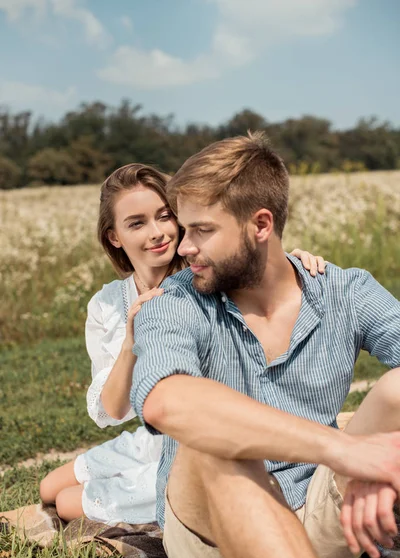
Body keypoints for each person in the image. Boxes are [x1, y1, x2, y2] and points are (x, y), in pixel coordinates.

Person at [130, 133, 400, 558]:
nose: (183, 248)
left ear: (260, 224)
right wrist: (342, 450)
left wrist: (373, 467)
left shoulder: (345, 291)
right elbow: (166, 402)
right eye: (184, 229)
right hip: (214, 543)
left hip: (326, 519)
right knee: (210, 436)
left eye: (202, 230)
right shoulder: (173, 303)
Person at [39, 162, 324, 525]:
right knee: (49, 486)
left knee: (66, 503)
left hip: (200, 443)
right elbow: (111, 411)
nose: (157, 233)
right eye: (137, 223)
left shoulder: (209, 277)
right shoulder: (107, 304)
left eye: (164, 216)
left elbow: (269, 280)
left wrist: (298, 264)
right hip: (151, 437)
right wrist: (131, 340)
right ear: (114, 237)